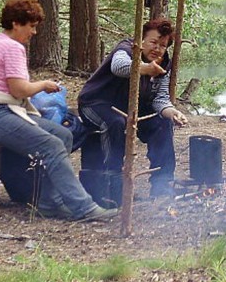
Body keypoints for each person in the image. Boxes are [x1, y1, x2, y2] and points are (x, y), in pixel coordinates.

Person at [0, 0, 118, 222]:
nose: (34, 32)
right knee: (51, 144)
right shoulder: (11, 47)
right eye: (31, 26)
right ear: (16, 23)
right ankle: (83, 207)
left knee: (63, 135)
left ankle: (48, 202)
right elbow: (19, 90)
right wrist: (43, 85)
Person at [78, 17, 188, 199]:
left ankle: (162, 183)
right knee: (115, 123)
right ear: (142, 40)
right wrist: (145, 68)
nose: (157, 49)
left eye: (162, 45)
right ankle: (114, 184)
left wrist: (172, 112)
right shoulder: (126, 48)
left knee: (163, 124)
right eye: (153, 42)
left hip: (131, 109)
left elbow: (160, 99)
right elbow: (118, 67)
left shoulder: (163, 64)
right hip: (96, 103)